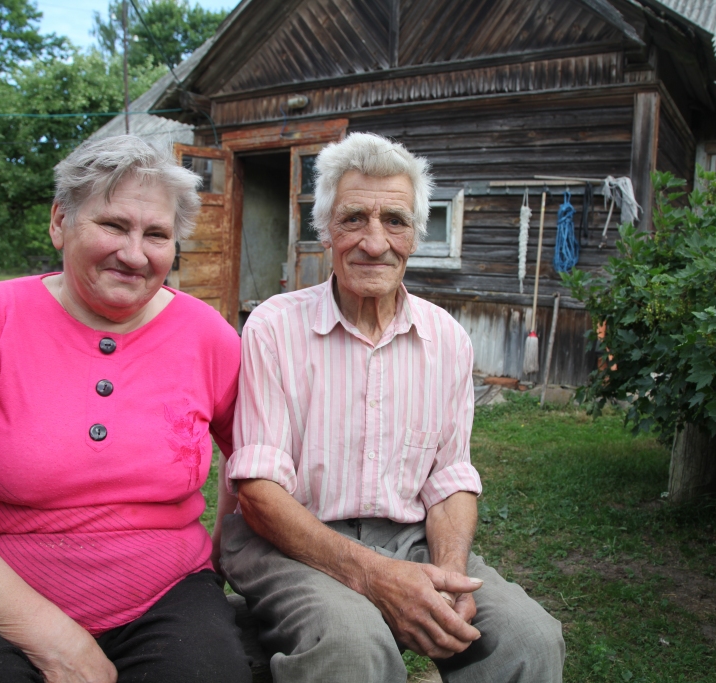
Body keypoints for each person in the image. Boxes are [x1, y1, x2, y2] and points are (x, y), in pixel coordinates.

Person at [0, 135, 251, 683]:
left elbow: (251, 462)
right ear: (60, 221)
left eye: (156, 234)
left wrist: (222, 554)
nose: (134, 254)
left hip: (168, 596)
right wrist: (55, 639)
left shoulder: (207, 335)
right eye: (112, 225)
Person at [221, 132, 566, 682]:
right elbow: (260, 497)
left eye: (395, 222)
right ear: (327, 230)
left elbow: (451, 479)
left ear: (415, 236)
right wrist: (377, 577)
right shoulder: (273, 327)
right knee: (354, 646)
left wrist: (448, 576)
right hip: (291, 541)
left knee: (529, 639)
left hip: (408, 539)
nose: (375, 242)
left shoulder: (447, 339)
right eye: (354, 218)